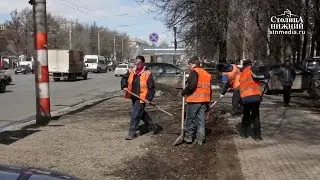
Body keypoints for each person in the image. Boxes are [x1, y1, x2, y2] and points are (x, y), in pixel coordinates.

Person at [121, 55, 157, 140]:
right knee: (140, 113)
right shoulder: (131, 70)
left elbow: (151, 87)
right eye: (136, 62)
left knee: (135, 114)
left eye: (139, 62)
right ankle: (152, 126)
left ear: (143, 63)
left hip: (142, 97)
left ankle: (131, 133)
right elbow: (124, 79)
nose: (137, 63)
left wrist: (148, 98)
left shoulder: (147, 73)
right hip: (133, 95)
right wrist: (124, 86)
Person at [181, 56, 211, 145]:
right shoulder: (206, 73)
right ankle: (200, 139)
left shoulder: (194, 72)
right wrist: (208, 102)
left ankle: (189, 137)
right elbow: (209, 89)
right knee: (201, 120)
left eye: (189, 65)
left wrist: (184, 91)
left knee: (190, 119)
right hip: (204, 100)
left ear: (193, 64)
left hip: (194, 100)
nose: (189, 67)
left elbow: (192, 86)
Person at [239, 60, 267, 142]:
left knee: (246, 115)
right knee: (255, 117)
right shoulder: (252, 69)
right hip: (254, 97)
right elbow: (261, 77)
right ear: (250, 64)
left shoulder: (242, 73)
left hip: (245, 98)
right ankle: (257, 136)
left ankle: (243, 133)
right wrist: (265, 72)